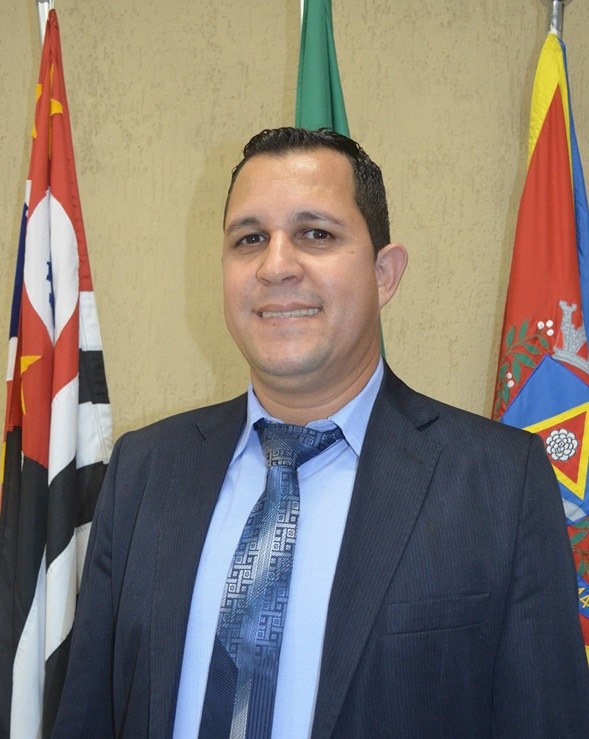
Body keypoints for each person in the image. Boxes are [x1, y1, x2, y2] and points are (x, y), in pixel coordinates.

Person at [53, 127, 589, 738]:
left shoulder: (500, 482)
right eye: (250, 239)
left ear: (385, 274)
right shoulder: (145, 469)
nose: (276, 266)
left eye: (316, 234)